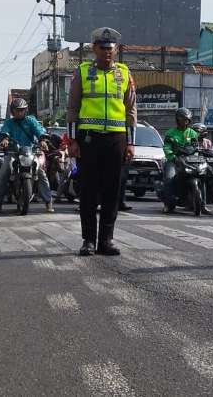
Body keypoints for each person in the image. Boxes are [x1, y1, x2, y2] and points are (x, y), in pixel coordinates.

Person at [66, 27, 137, 256]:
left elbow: (131, 110)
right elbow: (73, 108)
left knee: (111, 191)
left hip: (116, 139)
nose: (107, 51)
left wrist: (130, 143)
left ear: (116, 50)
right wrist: (73, 141)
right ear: (94, 49)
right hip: (89, 139)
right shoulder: (82, 71)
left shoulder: (125, 73)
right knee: (88, 191)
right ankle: (88, 240)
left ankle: (106, 240)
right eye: (102, 47)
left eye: (110, 48)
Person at [0, 98, 53, 213]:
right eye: (17, 110)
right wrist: (5, 139)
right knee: (4, 172)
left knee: (41, 174)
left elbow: (39, 130)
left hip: (29, 152)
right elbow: (5, 131)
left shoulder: (31, 121)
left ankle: (48, 201)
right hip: (13, 153)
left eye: (22, 110)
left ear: (25, 110)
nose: (20, 112)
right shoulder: (8, 122)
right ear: (12, 111)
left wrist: (42, 140)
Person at [161, 107, 200, 213]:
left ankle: (202, 204)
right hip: (174, 161)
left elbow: (196, 147)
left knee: (202, 174)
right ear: (177, 119)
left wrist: (196, 156)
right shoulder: (170, 133)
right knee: (169, 178)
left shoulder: (193, 133)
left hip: (189, 161)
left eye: (186, 120)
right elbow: (167, 147)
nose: (184, 121)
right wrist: (172, 157)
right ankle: (168, 204)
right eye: (182, 119)